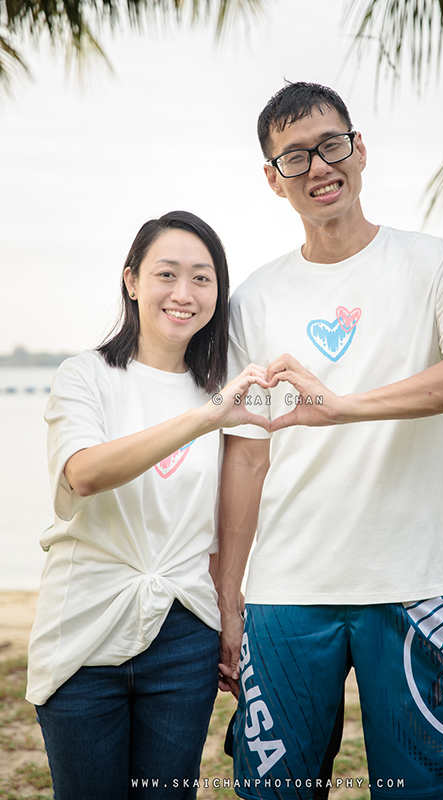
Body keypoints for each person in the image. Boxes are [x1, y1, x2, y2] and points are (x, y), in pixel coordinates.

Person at [216, 83, 443, 800]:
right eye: (293, 156)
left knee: (429, 790)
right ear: (271, 178)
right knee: (272, 792)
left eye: (330, 144)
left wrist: (343, 408)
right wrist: (228, 598)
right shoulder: (253, 298)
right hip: (287, 589)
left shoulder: (434, 263)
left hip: (415, 579)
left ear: (359, 148)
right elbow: (246, 455)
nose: (317, 166)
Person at [26, 210, 270, 799]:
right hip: (84, 627)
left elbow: (238, 502)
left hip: (184, 632)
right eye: (167, 274)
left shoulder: (226, 392)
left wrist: (229, 608)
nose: (183, 293)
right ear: (132, 281)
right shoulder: (85, 376)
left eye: (202, 278)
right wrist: (205, 417)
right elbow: (84, 473)